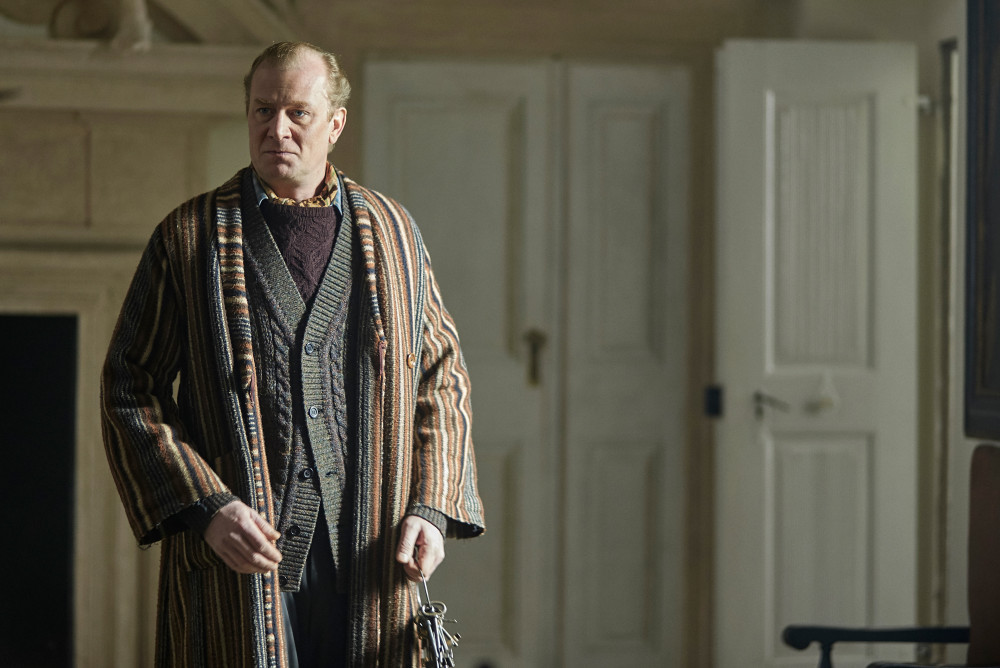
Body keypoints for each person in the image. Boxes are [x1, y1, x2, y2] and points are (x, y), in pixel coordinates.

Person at [100, 41, 484, 668]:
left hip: (373, 557)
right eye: (263, 110)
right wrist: (207, 506)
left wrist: (432, 509)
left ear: (335, 123)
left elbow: (443, 379)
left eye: (297, 112)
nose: (276, 128)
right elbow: (128, 385)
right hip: (237, 560)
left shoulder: (395, 234)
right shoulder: (188, 236)